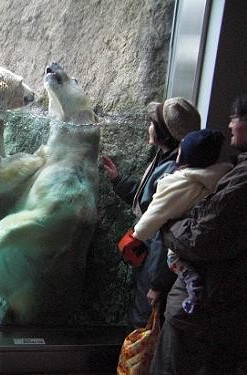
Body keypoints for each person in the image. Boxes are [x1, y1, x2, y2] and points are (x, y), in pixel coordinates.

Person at [150, 94, 247, 374]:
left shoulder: (235, 177)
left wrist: (166, 222)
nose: (230, 125)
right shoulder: (228, 168)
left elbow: (198, 238)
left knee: (173, 364)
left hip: (202, 308)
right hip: (214, 305)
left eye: (235, 118)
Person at [102, 97, 201, 328]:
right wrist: (118, 180)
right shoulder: (167, 158)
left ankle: (138, 364)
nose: (148, 127)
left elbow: (163, 234)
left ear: (164, 133)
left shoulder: (172, 173)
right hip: (150, 258)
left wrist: (157, 284)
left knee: (145, 322)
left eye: (151, 123)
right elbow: (150, 203)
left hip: (157, 263)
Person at [118, 129, 232, 315]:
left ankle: (191, 280)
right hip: (199, 246)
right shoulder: (219, 175)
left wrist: (138, 233)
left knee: (173, 258)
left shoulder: (177, 183)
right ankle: (192, 280)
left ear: (184, 158)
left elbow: (156, 213)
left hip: (175, 245)